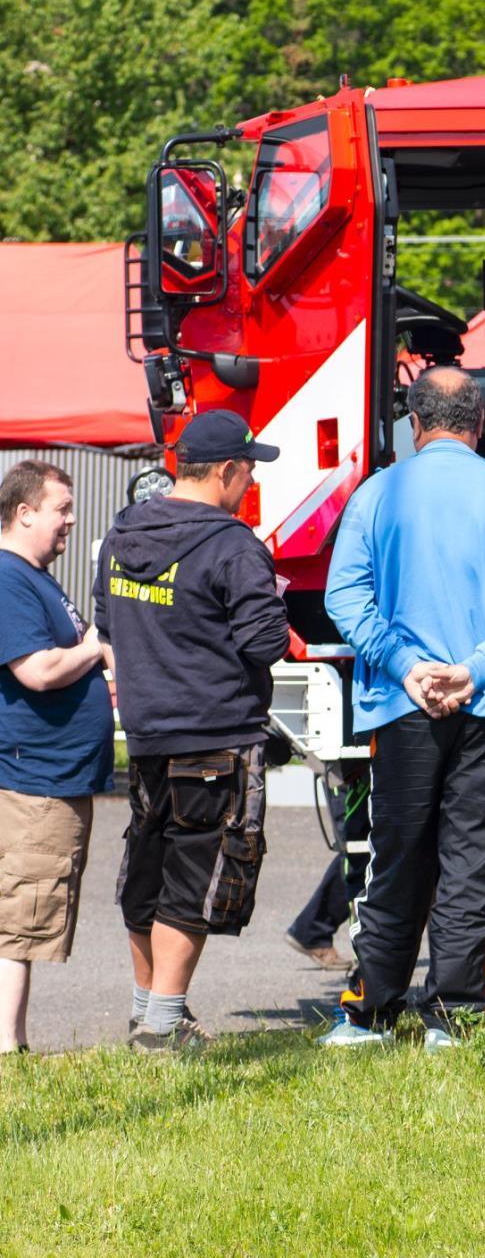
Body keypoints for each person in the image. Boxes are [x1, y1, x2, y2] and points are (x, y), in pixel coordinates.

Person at [320, 367, 485, 1051]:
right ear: (479, 424)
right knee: (472, 863)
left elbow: (346, 600)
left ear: (415, 425)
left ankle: (369, 1014)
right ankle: (452, 1018)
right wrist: (472, 670)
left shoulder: (376, 495)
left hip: (400, 709)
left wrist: (405, 667)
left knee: (396, 858)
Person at [94, 409, 290, 1051]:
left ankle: (146, 1011)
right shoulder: (235, 545)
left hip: (149, 734)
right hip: (217, 735)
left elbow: (106, 620)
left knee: (146, 869)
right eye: (249, 470)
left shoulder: (122, 533)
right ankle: (162, 1024)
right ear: (229, 470)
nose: (248, 483)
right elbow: (264, 643)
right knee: (197, 875)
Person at [0, 461, 113, 1054]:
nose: (70, 520)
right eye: (61, 509)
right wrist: (95, 645)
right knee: (22, 918)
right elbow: (38, 670)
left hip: (53, 778)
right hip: (33, 782)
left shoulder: (34, 575)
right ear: (24, 513)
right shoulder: (8, 578)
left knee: (29, 912)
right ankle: (8, 1049)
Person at [284, 770, 370, 970]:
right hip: (347, 768)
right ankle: (314, 930)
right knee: (358, 852)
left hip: (359, 766)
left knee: (362, 852)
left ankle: (312, 930)